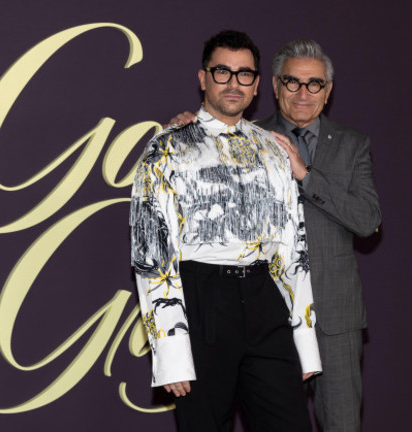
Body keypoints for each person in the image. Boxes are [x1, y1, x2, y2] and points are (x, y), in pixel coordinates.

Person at [170, 39, 381, 432]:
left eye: (314, 84)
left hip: (333, 318)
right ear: (272, 86)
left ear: (328, 90)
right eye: (292, 82)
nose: (303, 93)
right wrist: (190, 130)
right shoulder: (244, 134)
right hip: (264, 316)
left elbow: (368, 219)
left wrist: (305, 175)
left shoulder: (352, 145)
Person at [130, 30, 321, 432]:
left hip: (265, 300)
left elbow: (292, 249)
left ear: (256, 86)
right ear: (203, 78)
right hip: (201, 301)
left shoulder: (273, 149)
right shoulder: (166, 148)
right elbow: (153, 256)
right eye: (222, 72)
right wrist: (171, 350)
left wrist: (305, 344)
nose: (234, 83)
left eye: (245, 74)